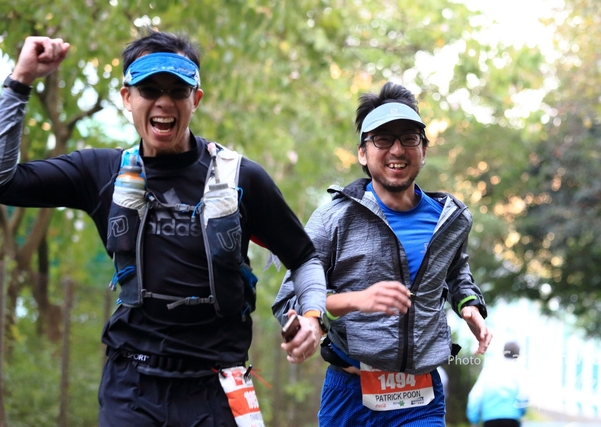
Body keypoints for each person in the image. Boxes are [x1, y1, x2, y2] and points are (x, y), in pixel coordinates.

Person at [0, 31, 325, 426]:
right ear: (127, 98)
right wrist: (21, 79)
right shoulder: (100, 172)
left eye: (178, 90)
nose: (164, 102)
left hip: (218, 387)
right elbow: (5, 181)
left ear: (196, 99)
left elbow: (304, 258)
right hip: (132, 388)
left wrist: (312, 317)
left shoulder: (241, 178)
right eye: (150, 89)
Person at [273, 81, 492, 426]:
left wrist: (470, 307)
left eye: (409, 138)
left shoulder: (450, 219)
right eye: (383, 139)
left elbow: (455, 273)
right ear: (363, 152)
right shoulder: (333, 219)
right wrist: (356, 301)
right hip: (350, 393)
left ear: (423, 149)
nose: (397, 150)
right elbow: (291, 298)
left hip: (420, 397)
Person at [466, 341, 529, 427]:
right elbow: (524, 395)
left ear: (504, 352)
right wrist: (521, 412)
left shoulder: (489, 369)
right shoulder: (520, 371)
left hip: (490, 420)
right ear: (518, 354)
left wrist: (474, 420)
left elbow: (475, 395)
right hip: (512, 419)